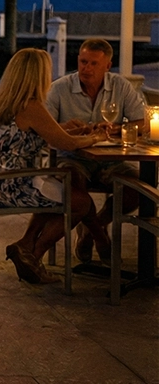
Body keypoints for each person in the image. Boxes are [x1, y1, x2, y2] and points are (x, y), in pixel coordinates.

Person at [0, 48, 107, 284]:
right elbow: (65, 143)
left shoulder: (7, 102)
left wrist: (65, 127)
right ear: (37, 75)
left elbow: (41, 133)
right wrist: (95, 138)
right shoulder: (31, 106)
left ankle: (25, 245)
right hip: (10, 186)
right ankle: (33, 256)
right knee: (80, 202)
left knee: (60, 189)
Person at [45, 38, 146, 262]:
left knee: (139, 189)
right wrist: (68, 130)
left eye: (93, 64)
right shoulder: (60, 88)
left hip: (112, 160)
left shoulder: (120, 86)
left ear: (107, 66)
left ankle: (94, 228)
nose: (86, 68)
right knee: (73, 184)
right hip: (73, 157)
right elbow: (46, 129)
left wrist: (116, 129)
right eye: (82, 62)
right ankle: (101, 237)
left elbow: (142, 123)